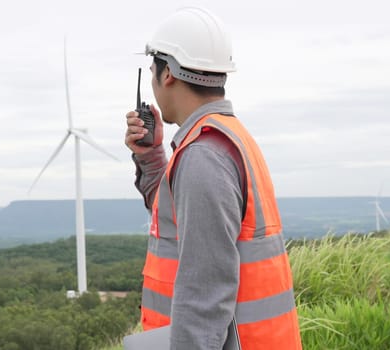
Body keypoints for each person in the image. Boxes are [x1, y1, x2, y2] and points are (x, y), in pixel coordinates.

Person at [124, 7, 303, 350]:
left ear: (168, 75)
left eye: (152, 72)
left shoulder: (204, 156)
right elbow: (179, 219)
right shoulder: (225, 139)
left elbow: (203, 298)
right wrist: (150, 154)